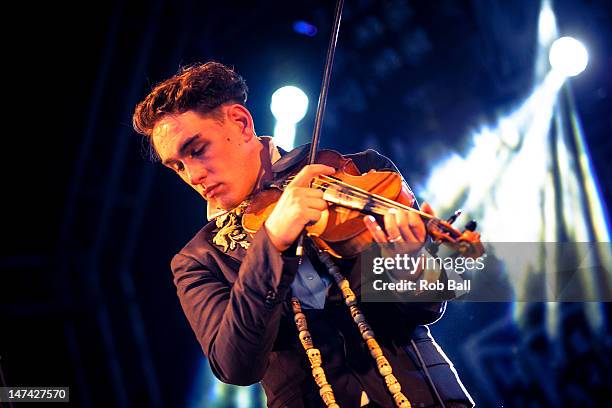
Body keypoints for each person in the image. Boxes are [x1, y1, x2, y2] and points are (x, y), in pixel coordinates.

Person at [133, 62, 474, 408]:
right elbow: (236, 366)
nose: (192, 175)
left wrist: (410, 261)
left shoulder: (356, 173)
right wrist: (272, 241)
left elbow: (426, 309)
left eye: (197, 149)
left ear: (240, 123)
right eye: (176, 165)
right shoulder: (198, 259)